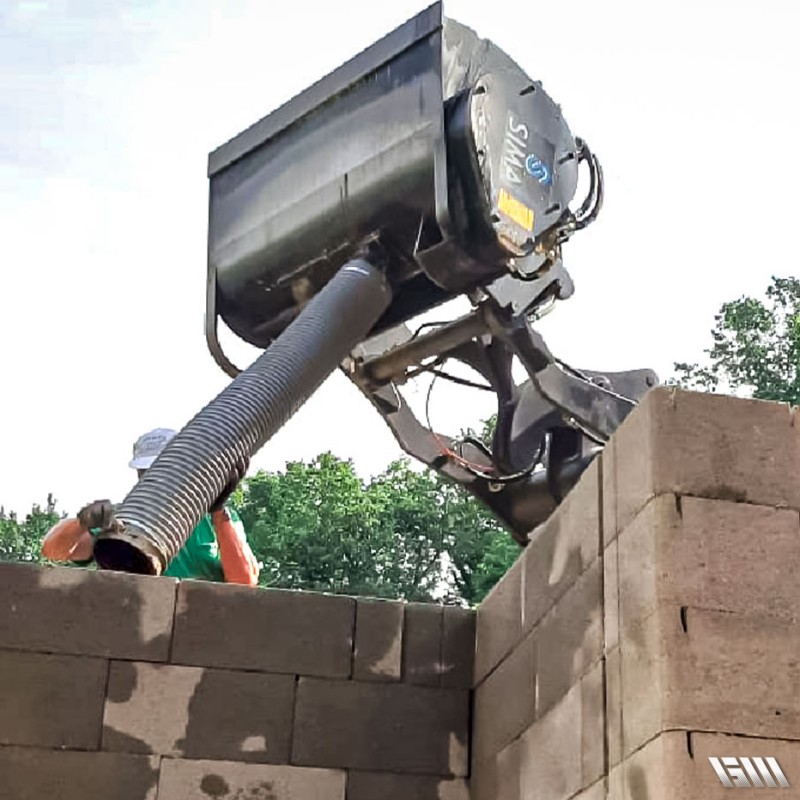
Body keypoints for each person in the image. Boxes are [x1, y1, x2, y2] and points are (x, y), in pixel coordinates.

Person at [41, 428, 260, 586]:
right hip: (136, 628)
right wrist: (82, 523)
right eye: (147, 472)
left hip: (202, 627)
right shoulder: (123, 520)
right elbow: (54, 550)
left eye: (163, 470)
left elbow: (244, 581)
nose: (156, 479)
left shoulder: (216, 521)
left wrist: (218, 511)